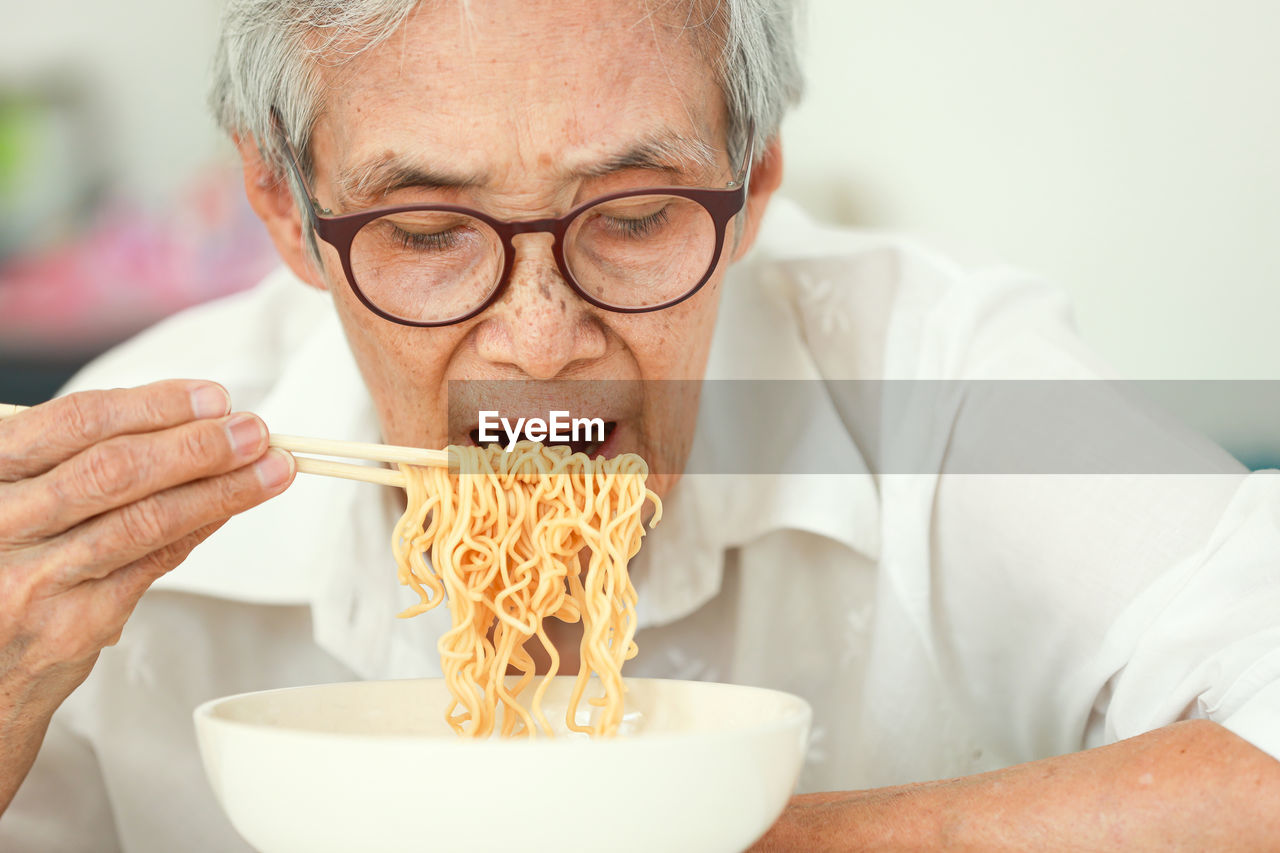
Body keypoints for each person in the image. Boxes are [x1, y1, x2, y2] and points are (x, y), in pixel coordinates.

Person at [2, 1, 1278, 849]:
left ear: (755, 174)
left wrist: (709, 829)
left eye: (631, 216)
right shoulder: (108, 504)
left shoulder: (927, 374)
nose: (539, 340)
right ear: (283, 210)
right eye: (430, 234)